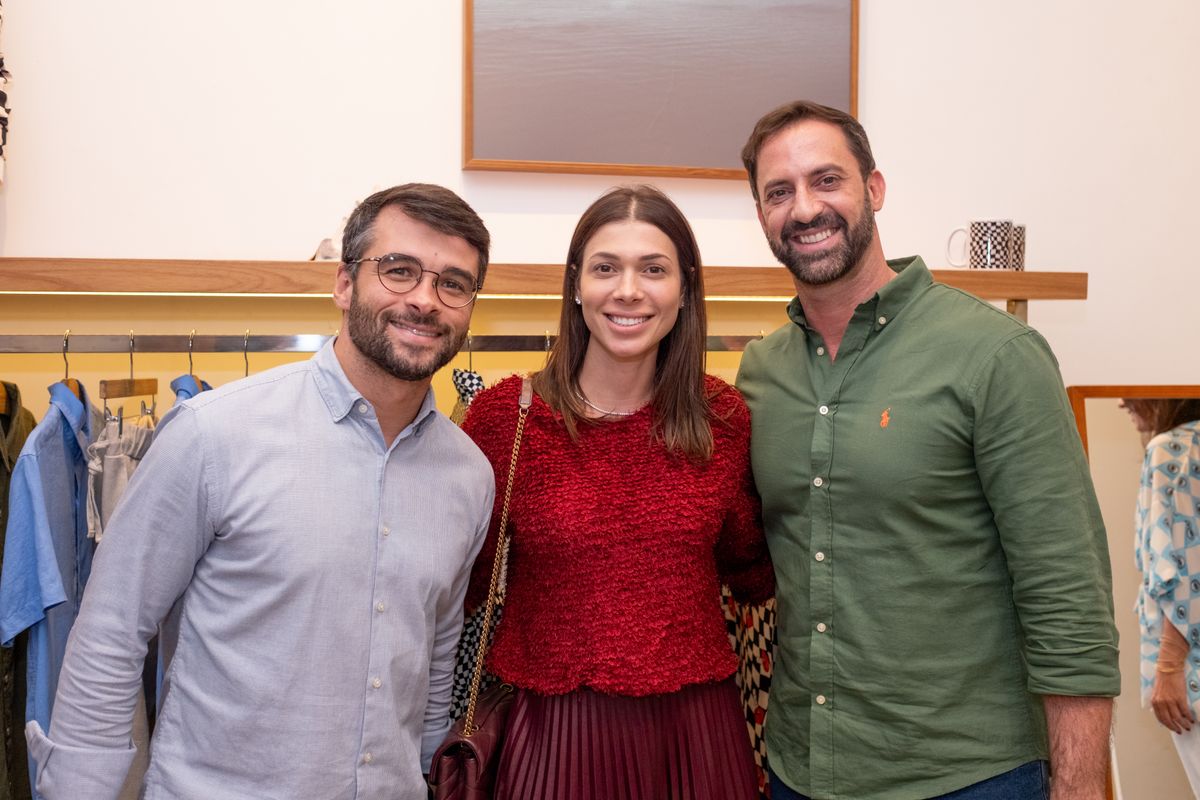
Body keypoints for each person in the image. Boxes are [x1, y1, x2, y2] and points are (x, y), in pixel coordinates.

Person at [24, 183, 496, 800]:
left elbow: (435, 654)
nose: (425, 300)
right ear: (345, 285)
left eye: (452, 283)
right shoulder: (213, 434)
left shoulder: (470, 474)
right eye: (398, 271)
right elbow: (112, 632)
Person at [734, 100, 1121, 800]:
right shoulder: (760, 374)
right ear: (760, 213)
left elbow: (1067, 594)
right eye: (779, 192)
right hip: (800, 771)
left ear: (874, 190)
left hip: (970, 776)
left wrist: (1081, 785)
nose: (804, 208)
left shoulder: (994, 355)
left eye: (827, 180)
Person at [460, 185, 774, 800]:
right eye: (606, 268)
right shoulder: (507, 419)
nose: (628, 290)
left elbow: (752, 572)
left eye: (652, 270)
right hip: (549, 736)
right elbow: (459, 588)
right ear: (576, 285)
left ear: (684, 290)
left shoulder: (723, 418)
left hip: (696, 735)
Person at [1125, 398, 1200, 797]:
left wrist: (1169, 668)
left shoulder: (1170, 448)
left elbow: (1179, 569)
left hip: (1191, 669)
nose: (1122, 399)